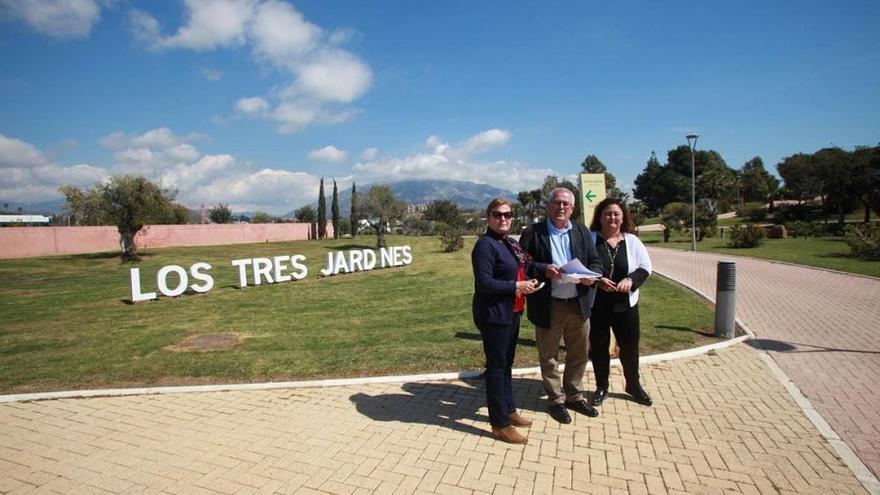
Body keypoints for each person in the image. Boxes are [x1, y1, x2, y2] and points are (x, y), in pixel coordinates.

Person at [520, 188, 603, 424]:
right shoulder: (533, 233)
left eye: (566, 204)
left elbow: (595, 261)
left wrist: (592, 276)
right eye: (556, 203)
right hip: (549, 304)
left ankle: (574, 396)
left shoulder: (581, 231)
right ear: (548, 206)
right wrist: (544, 268)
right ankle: (556, 400)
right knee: (549, 355)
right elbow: (523, 264)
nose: (561, 207)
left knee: (579, 354)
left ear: (572, 209)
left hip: (579, 303)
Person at [472, 198, 540, 444]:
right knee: (496, 368)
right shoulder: (485, 245)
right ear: (488, 217)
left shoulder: (510, 243)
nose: (504, 219)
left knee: (506, 365)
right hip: (494, 315)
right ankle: (499, 424)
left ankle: (509, 410)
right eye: (498, 214)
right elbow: (484, 283)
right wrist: (516, 285)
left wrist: (551, 269)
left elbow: (530, 264)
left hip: (512, 311)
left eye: (508, 214)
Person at [588, 197, 654, 407]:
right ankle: (601, 386)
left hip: (625, 305)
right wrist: (598, 281)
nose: (612, 218)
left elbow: (645, 267)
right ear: (599, 217)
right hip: (597, 304)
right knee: (599, 347)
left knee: (629, 346)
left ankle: (633, 385)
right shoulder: (590, 239)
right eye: (607, 214)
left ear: (623, 216)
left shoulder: (631, 241)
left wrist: (631, 280)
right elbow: (580, 267)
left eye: (616, 214)